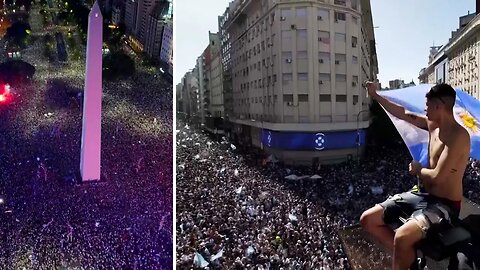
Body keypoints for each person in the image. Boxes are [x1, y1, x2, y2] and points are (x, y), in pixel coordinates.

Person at [360, 82, 471, 270]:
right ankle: (411, 260)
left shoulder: (458, 136)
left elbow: (437, 177)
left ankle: (405, 258)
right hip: (421, 194)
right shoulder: (432, 125)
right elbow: (403, 113)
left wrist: (418, 169)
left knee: (403, 237)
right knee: (368, 220)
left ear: (439, 106)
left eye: (427, 106)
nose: (424, 110)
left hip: (445, 205)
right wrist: (375, 95)